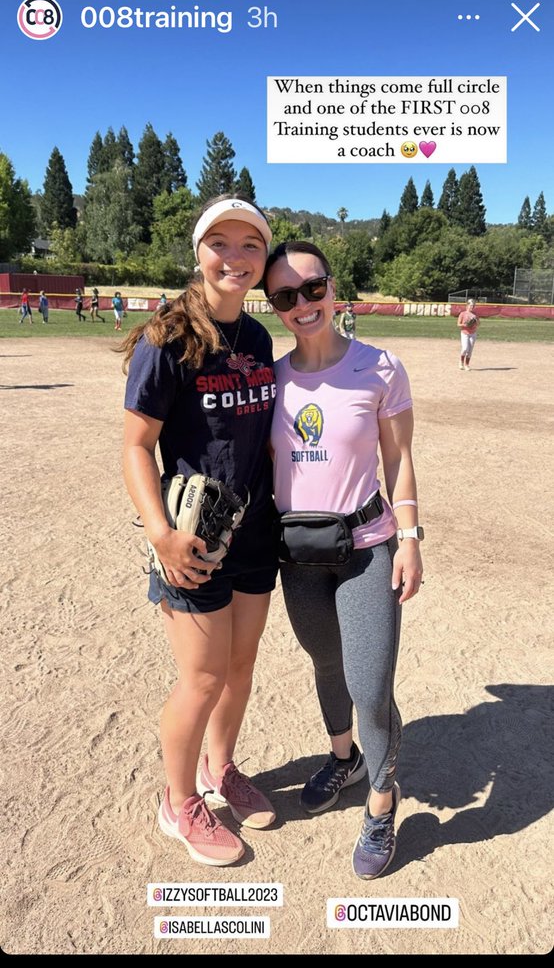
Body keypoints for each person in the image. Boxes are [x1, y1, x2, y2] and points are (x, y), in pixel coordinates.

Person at [121, 196, 279, 867]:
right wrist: (159, 532)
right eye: (221, 242)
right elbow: (134, 446)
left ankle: (221, 769)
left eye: (251, 245)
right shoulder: (168, 340)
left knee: (239, 669)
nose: (236, 257)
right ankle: (177, 799)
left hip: (255, 529)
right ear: (198, 252)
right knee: (202, 678)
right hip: (192, 536)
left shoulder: (260, 338)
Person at [264, 240, 424, 880]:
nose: (302, 304)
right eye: (284, 295)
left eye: (312, 288)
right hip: (298, 555)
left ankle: (381, 803)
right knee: (325, 663)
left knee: (369, 682)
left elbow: (400, 459)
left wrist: (410, 537)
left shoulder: (380, 368)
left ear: (332, 288)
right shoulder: (270, 378)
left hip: (365, 548)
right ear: (274, 305)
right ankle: (344, 758)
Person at [457, 297, 480, 370]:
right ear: (467, 306)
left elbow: (479, 324)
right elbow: (458, 324)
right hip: (465, 333)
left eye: (473, 306)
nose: (472, 307)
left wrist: (476, 321)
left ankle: (467, 365)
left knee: (470, 350)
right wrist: (465, 325)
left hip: (473, 333)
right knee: (465, 348)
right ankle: (461, 362)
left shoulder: (475, 314)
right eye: (470, 305)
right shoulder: (463, 314)